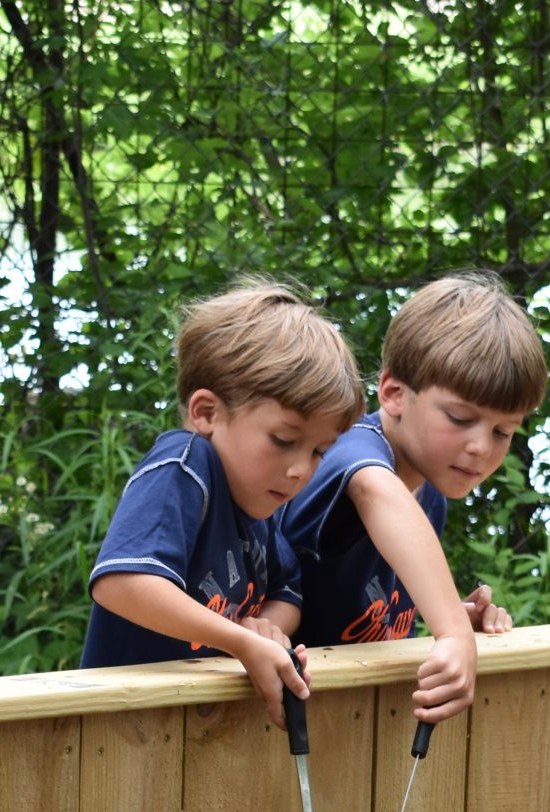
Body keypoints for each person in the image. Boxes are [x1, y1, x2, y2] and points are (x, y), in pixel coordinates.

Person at [79, 280, 364, 727]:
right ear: (208, 413)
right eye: (284, 440)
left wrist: (266, 628)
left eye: (317, 452)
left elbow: (288, 593)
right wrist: (239, 641)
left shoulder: (259, 505)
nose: (301, 472)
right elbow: (123, 582)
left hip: (190, 733)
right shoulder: (186, 467)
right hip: (118, 732)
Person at [277, 272, 547, 725]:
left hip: (344, 719)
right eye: (461, 418)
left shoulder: (430, 490)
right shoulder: (352, 450)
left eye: (504, 431)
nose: (482, 446)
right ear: (394, 393)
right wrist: (454, 631)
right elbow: (374, 490)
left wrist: (443, 617)